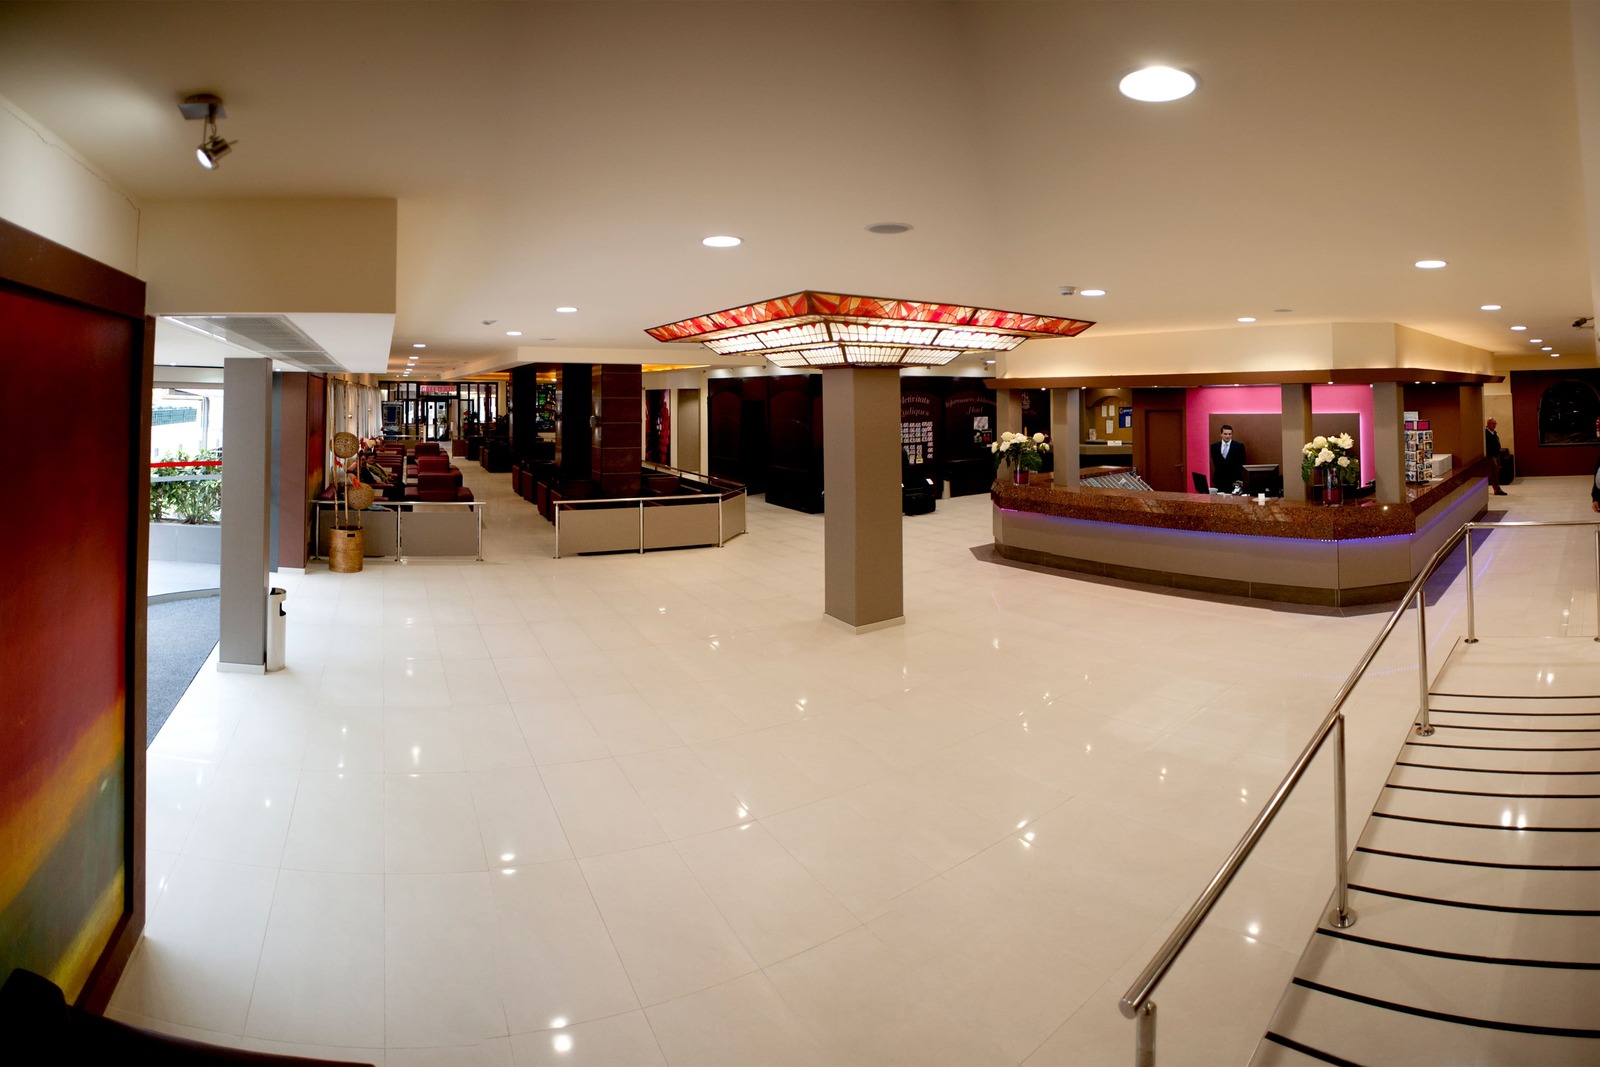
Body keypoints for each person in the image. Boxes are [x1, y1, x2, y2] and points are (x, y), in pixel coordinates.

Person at [1211, 424, 1247, 492]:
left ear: (1232, 434)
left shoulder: (1239, 446)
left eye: (1229, 434)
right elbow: (1216, 464)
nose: (1227, 436)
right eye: (1225, 434)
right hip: (1219, 480)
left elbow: (1242, 463)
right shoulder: (1214, 446)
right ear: (1221, 434)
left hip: (1234, 481)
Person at [1485, 418, 1508, 495]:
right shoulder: (1486, 433)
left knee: (1496, 471)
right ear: (1488, 424)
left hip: (1496, 454)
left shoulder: (1494, 432)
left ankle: (1497, 488)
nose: (1494, 425)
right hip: (1490, 455)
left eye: (1495, 424)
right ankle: (1497, 489)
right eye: (1493, 423)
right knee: (1493, 471)